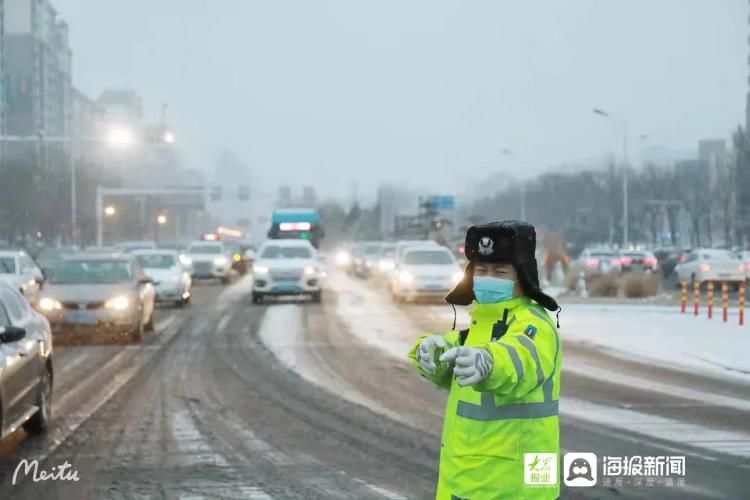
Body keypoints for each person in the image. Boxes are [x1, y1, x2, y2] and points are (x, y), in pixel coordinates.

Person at [407, 221, 562, 500]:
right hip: (466, 480)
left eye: (500, 271)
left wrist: (489, 363)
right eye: (481, 270)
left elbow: (520, 357)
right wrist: (428, 352)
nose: (488, 278)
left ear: (522, 276)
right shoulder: (481, 325)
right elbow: (455, 353)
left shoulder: (534, 324)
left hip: (515, 487)